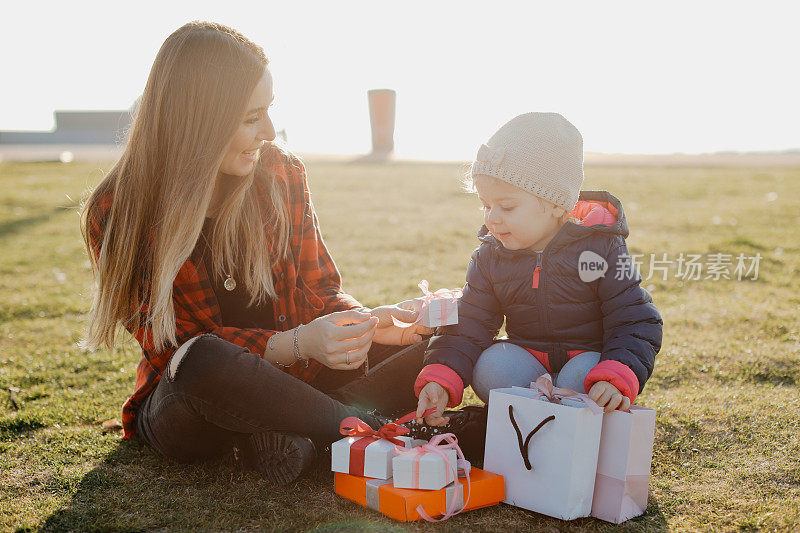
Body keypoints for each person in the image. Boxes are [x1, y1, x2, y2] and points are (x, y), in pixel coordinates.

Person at [80, 21, 432, 486]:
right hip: (193, 407)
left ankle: (305, 434)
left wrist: (366, 323)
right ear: (197, 122)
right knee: (203, 358)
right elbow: (174, 350)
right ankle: (352, 429)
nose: (268, 130)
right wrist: (299, 344)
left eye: (268, 111)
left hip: (302, 384)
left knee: (438, 342)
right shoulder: (118, 211)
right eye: (250, 118)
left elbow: (320, 289)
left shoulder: (280, 173)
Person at [413, 112, 663, 429]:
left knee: (581, 377)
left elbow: (635, 317)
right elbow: (471, 321)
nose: (492, 218)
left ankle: (578, 419)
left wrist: (616, 374)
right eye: (485, 204)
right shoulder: (491, 255)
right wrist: (442, 376)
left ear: (557, 204)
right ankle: (534, 422)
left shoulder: (602, 249)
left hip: (586, 361)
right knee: (491, 367)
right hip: (528, 361)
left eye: (507, 206)